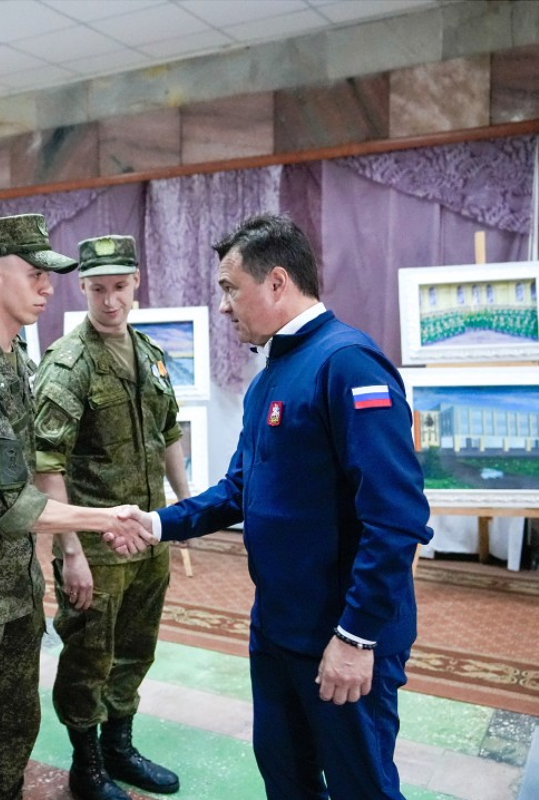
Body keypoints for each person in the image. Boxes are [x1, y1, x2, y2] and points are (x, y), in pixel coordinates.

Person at [114, 213, 432, 800]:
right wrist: (158, 522)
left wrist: (358, 637)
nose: (225, 307)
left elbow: (396, 517)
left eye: (231, 289)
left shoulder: (348, 364)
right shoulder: (271, 376)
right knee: (286, 778)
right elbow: (241, 489)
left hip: (341, 635)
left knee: (362, 787)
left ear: (278, 282)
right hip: (281, 627)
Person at [0, 213, 151, 800]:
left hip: (12, 593)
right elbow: (14, 508)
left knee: (10, 741)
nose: (49, 287)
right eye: (35, 274)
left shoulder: (17, 359)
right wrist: (106, 519)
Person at [33, 234, 187, 800]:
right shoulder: (69, 364)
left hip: (148, 534)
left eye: (119, 287)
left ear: (136, 284)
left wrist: (185, 513)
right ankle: (87, 765)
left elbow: (168, 434)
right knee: (87, 656)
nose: (110, 301)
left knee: (135, 648)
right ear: (84, 289)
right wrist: (69, 552)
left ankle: (120, 748)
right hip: (96, 545)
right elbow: (45, 464)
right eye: (98, 289)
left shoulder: (149, 354)